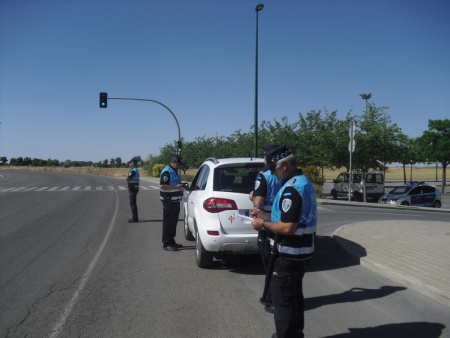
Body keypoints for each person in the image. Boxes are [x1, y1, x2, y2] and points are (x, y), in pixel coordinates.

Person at [250, 146, 317, 338]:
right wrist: (264, 214)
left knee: (283, 302)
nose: (272, 173)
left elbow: (288, 227)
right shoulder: (302, 182)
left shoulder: (292, 189)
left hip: (289, 252)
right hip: (300, 252)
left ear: (284, 166)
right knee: (294, 297)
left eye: (273, 169)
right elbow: (286, 216)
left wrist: (263, 224)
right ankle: (296, 334)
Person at [251, 145, 282, 313]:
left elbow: (258, 202)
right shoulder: (287, 176)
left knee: (270, 263)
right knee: (277, 262)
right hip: (282, 221)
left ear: (266, 158)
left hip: (267, 221)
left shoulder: (264, 175)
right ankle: (273, 298)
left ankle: (272, 300)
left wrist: (252, 196)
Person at [159, 155, 186, 251]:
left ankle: (172, 241)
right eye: (178, 164)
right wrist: (177, 187)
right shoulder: (167, 171)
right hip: (168, 201)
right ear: (173, 162)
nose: (179, 166)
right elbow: (162, 186)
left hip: (175, 201)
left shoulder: (174, 171)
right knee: (168, 223)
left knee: (173, 223)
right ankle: (166, 243)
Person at [126, 158, 140, 223]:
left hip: (133, 187)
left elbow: (128, 178)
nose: (129, 164)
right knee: (133, 203)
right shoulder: (135, 170)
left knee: (132, 203)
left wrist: (127, 179)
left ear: (133, 163)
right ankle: (135, 217)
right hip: (135, 187)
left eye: (130, 162)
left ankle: (134, 218)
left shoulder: (133, 170)